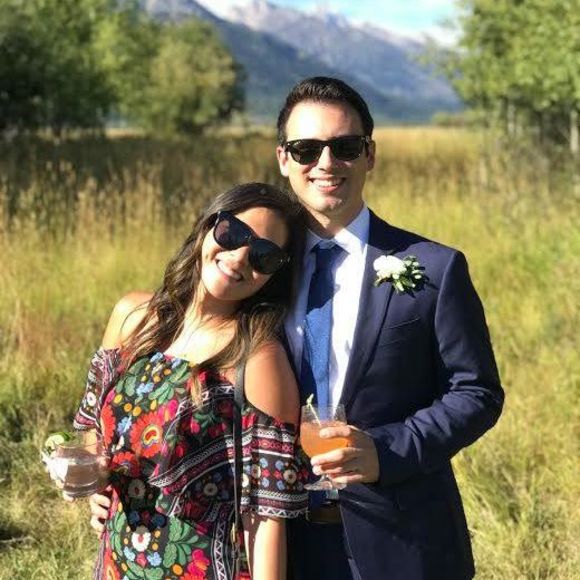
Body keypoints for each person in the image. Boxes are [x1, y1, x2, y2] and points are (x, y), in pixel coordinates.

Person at [275, 77, 504, 580]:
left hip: (404, 542)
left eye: (345, 147)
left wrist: (387, 450)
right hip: (278, 543)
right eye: (307, 149)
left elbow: (477, 391)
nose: (326, 163)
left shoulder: (436, 267)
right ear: (284, 160)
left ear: (370, 155)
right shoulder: (257, 271)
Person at [71, 182, 308, 579]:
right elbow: (95, 420)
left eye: (264, 256)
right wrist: (95, 480)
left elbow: (266, 515)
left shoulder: (257, 358)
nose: (239, 257)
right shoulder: (133, 317)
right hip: (116, 563)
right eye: (233, 233)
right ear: (207, 226)